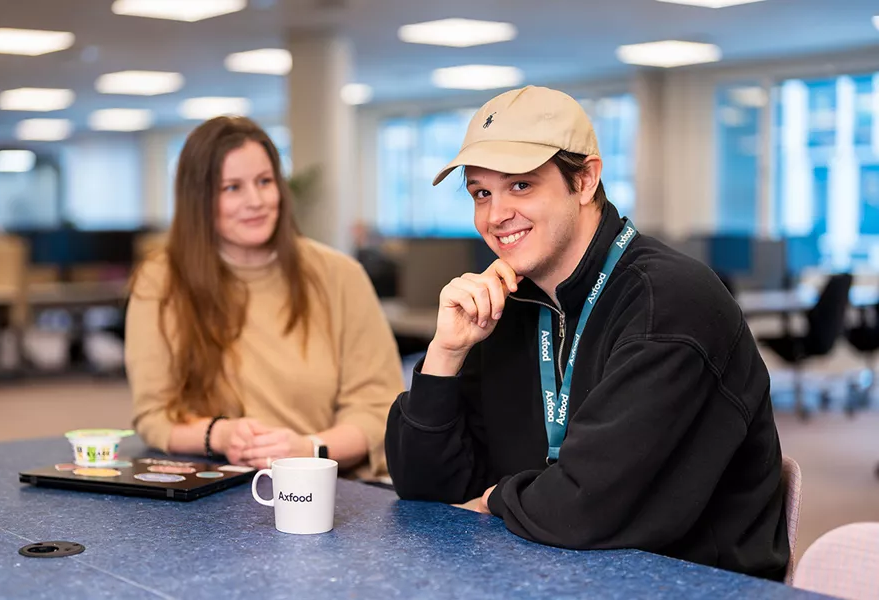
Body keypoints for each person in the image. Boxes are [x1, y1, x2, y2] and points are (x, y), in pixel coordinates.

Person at [384, 86, 789, 579]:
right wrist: (445, 354)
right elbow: (427, 497)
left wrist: (495, 499)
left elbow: (589, 506)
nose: (494, 216)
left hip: (688, 584)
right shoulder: (507, 303)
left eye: (521, 186)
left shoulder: (671, 304)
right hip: (547, 571)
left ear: (585, 179)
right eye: (481, 192)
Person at [126, 116, 402, 479]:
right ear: (198, 199)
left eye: (264, 181)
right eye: (231, 188)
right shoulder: (161, 281)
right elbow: (155, 416)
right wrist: (221, 434)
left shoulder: (339, 275)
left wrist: (309, 449)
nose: (255, 201)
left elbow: (380, 410)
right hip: (213, 494)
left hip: (326, 488)